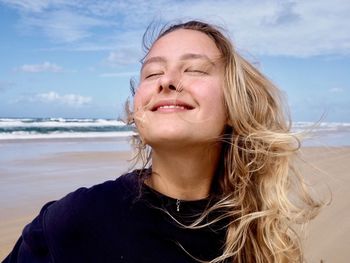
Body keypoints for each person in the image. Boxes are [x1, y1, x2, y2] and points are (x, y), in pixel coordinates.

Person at [3, 20, 321, 263]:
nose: (167, 81)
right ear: (137, 107)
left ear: (234, 103)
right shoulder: (73, 220)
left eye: (194, 69)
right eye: (152, 74)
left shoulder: (259, 233)